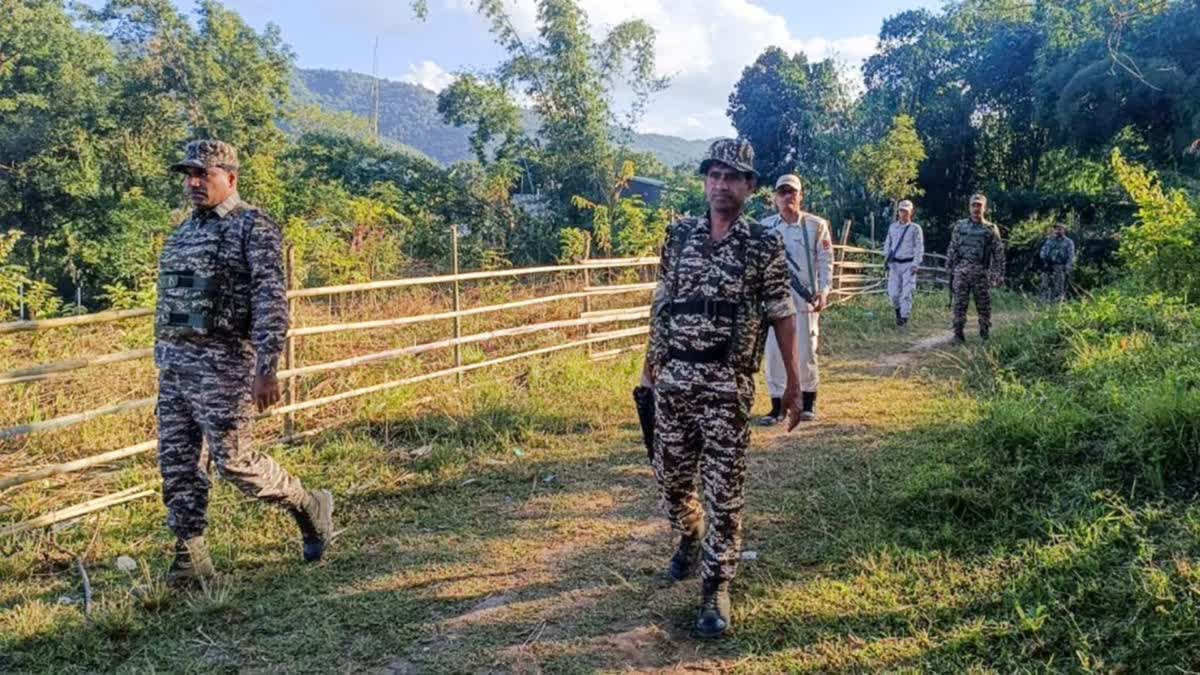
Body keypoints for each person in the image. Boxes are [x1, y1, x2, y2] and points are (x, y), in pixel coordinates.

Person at [641, 138, 802, 639]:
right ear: (705, 180)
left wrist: (794, 382)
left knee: (724, 491)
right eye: (714, 174)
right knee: (671, 482)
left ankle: (715, 587)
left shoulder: (761, 244)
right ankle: (689, 533)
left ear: (750, 186)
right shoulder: (679, 235)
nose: (721, 184)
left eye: (732, 177)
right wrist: (649, 368)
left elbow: (781, 312)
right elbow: (662, 305)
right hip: (673, 382)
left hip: (727, 385)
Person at [156, 140, 334, 585]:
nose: (194, 182)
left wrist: (267, 367)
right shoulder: (184, 233)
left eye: (205, 174)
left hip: (225, 366)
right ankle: (190, 557)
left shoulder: (252, 227)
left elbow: (270, 299)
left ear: (230, 178)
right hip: (177, 366)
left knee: (234, 462)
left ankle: (309, 505)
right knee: (177, 464)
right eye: (190, 174)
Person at [757, 174, 833, 425]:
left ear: (801, 195)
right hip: (775, 301)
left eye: (792, 192)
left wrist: (823, 290)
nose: (787, 196)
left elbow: (825, 261)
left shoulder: (815, 225)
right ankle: (777, 405)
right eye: (782, 192)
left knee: (806, 351)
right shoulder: (765, 227)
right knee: (774, 352)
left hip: (805, 301)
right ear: (774, 197)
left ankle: (808, 400)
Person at [946, 194, 1005, 342]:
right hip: (961, 270)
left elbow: (998, 253)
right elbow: (952, 246)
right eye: (974, 205)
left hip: (981, 272)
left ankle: (984, 333)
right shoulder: (960, 226)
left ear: (985, 208)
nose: (976, 208)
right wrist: (949, 266)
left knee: (983, 305)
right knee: (959, 304)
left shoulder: (990, 229)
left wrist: (998, 274)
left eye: (979, 205)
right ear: (969, 207)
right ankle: (958, 334)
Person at [883, 200, 925, 329]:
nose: (903, 213)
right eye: (901, 210)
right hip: (895, 264)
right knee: (893, 293)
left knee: (907, 293)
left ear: (911, 212)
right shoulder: (892, 227)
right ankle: (898, 313)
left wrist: (916, 263)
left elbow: (919, 246)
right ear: (898, 212)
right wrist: (887, 259)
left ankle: (904, 319)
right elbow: (887, 244)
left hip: (909, 264)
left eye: (906, 211)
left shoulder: (915, 228)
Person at [1039, 223, 1076, 302]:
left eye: (1060, 229)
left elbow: (1071, 256)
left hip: (1061, 266)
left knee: (1059, 285)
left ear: (1064, 230)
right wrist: (1044, 259)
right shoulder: (1050, 240)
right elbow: (1043, 251)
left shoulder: (1069, 242)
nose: (1058, 231)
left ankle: (1058, 301)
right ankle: (1044, 300)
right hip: (1048, 265)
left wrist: (1067, 266)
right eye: (1057, 229)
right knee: (1044, 283)